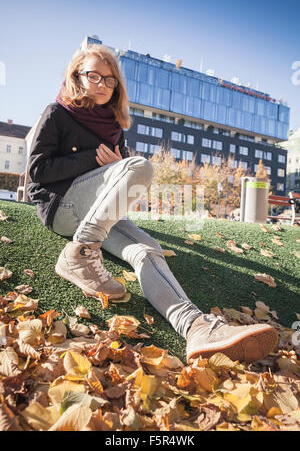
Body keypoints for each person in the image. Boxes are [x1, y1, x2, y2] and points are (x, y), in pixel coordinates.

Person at [27, 44, 278, 364]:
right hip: (62, 208)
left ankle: (197, 328)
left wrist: (115, 166)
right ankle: (81, 253)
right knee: (141, 167)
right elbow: (38, 171)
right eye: (94, 76)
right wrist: (92, 161)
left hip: (97, 214)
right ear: (77, 76)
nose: (102, 85)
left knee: (146, 249)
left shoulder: (113, 126)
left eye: (109, 79)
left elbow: (118, 180)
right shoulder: (57, 113)